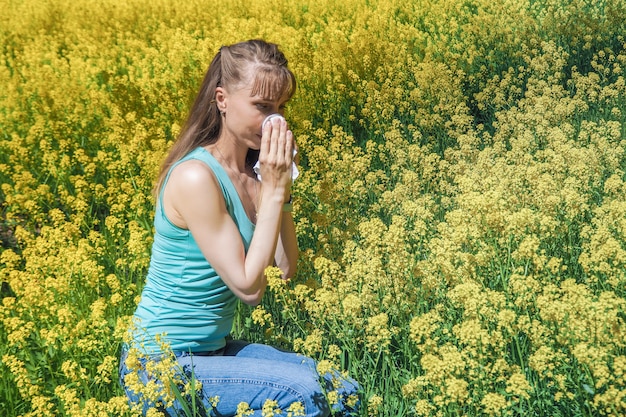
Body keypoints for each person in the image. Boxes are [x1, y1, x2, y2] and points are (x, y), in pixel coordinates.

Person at [118, 39, 359, 417]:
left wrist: (278, 187)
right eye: (262, 106)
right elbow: (249, 288)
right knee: (304, 392)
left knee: (342, 390)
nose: (274, 120)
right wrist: (275, 190)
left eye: (280, 108)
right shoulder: (196, 177)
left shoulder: (255, 175)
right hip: (156, 367)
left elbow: (284, 267)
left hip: (209, 353)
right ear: (222, 99)